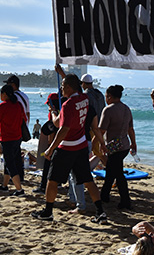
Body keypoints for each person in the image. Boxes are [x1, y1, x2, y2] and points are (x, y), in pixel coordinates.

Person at [30, 73, 108, 224]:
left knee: (52, 180)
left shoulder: (68, 104)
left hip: (66, 147)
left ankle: (48, 211)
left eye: (63, 86)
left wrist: (50, 148)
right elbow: (72, 122)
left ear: (69, 87)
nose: (61, 88)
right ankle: (100, 212)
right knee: (87, 180)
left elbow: (62, 128)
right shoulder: (84, 99)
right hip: (81, 145)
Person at [98, 84, 136, 209]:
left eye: (106, 96)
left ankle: (125, 200)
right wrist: (133, 143)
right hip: (124, 145)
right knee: (111, 170)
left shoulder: (108, 110)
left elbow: (102, 130)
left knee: (118, 173)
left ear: (109, 97)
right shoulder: (126, 108)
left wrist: (100, 144)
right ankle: (104, 195)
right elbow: (131, 129)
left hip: (113, 146)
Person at [0, 84, 27, 196]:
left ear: (4, 94)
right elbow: (24, 119)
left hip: (7, 139)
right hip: (17, 138)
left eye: (1, 93)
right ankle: (4, 185)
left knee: (10, 163)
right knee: (9, 161)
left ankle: (19, 190)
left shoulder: (3, 106)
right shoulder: (18, 105)